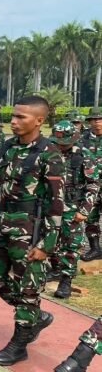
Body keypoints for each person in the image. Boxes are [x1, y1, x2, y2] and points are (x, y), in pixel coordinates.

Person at [0, 95, 64, 366]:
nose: (14, 121)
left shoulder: (49, 153)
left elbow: (57, 204)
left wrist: (46, 244)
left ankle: (20, 342)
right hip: (4, 224)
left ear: (39, 121)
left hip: (31, 229)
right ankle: (34, 315)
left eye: (21, 117)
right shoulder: (8, 147)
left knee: (29, 288)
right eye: (14, 116)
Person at [47, 121, 99, 299]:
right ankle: (54, 269)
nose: (60, 145)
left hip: (73, 207)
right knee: (50, 240)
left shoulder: (83, 155)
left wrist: (85, 210)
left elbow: (93, 184)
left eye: (64, 142)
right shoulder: (48, 152)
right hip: (50, 205)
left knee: (71, 244)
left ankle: (66, 280)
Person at [80, 107, 102, 261]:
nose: (97, 123)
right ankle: (95, 248)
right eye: (94, 120)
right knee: (91, 217)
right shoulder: (82, 139)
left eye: (100, 119)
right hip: (90, 185)